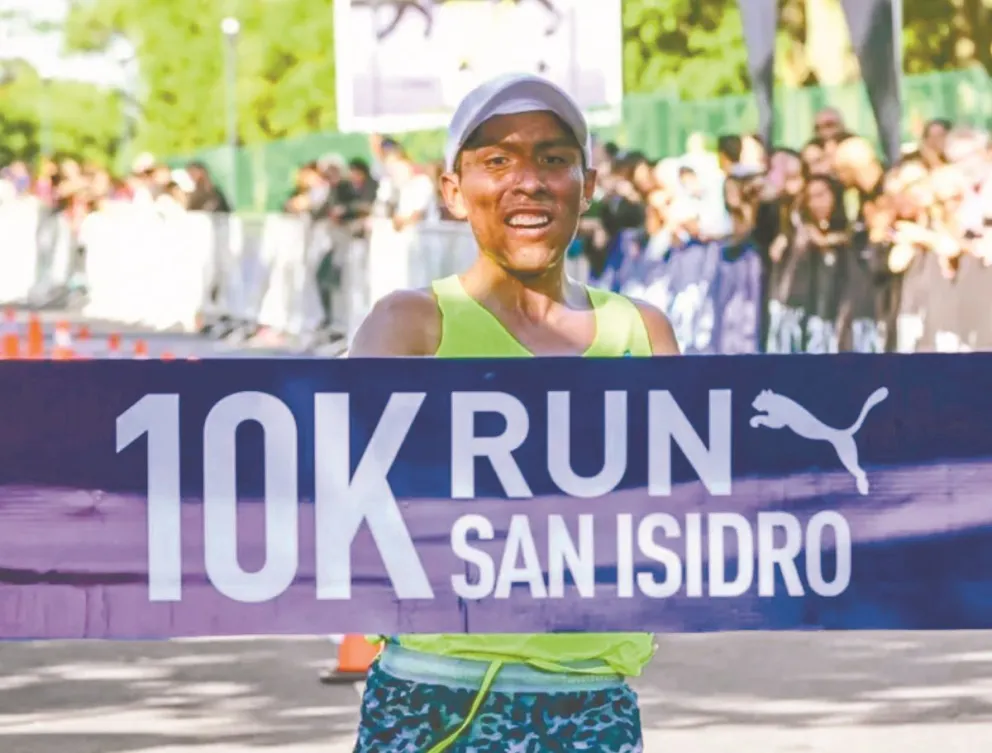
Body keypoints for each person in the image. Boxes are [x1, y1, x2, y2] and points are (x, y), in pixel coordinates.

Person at [348, 72, 679, 752]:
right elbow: (332, 495)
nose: (526, 180)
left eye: (553, 159)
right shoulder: (411, 325)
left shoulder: (644, 331)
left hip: (591, 700)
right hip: (433, 694)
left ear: (587, 185)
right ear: (453, 190)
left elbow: (697, 510)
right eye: (496, 160)